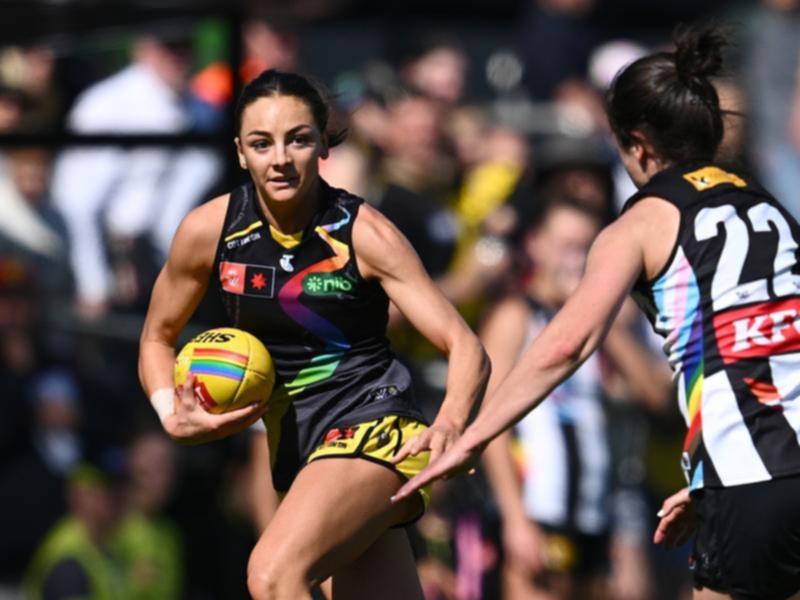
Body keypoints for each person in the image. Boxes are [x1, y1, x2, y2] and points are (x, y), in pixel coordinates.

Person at [394, 24, 800, 600]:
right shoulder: (772, 211)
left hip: (749, 476)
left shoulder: (642, 221)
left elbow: (567, 343)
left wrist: (469, 438)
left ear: (636, 143)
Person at [138, 69, 489, 600]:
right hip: (299, 453)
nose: (279, 158)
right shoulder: (209, 231)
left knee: (273, 576)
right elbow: (157, 337)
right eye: (262, 143)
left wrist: (451, 424)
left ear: (324, 144)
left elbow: (465, 346)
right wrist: (170, 412)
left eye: (298, 139)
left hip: (377, 430)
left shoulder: (365, 233)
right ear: (239, 152)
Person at [480, 197, 669, 600]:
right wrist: (515, 517)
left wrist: (605, 324)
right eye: (567, 246)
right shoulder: (517, 315)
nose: (576, 260)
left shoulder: (607, 329)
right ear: (535, 244)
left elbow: (657, 398)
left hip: (597, 517)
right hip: (537, 512)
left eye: (586, 248)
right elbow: (488, 422)